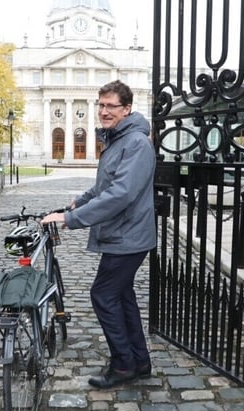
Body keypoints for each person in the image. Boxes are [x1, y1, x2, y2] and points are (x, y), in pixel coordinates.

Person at [42, 80, 157, 389]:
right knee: (121, 294)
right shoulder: (119, 139)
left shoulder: (135, 143)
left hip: (128, 235)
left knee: (103, 295)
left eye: (111, 106)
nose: (104, 111)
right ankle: (139, 361)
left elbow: (121, 194)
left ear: (127, 108)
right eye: (101, 105)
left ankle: (123, 365)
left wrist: (73, 218)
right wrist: (80, 200)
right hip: (124, 233)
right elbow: (105, 185)